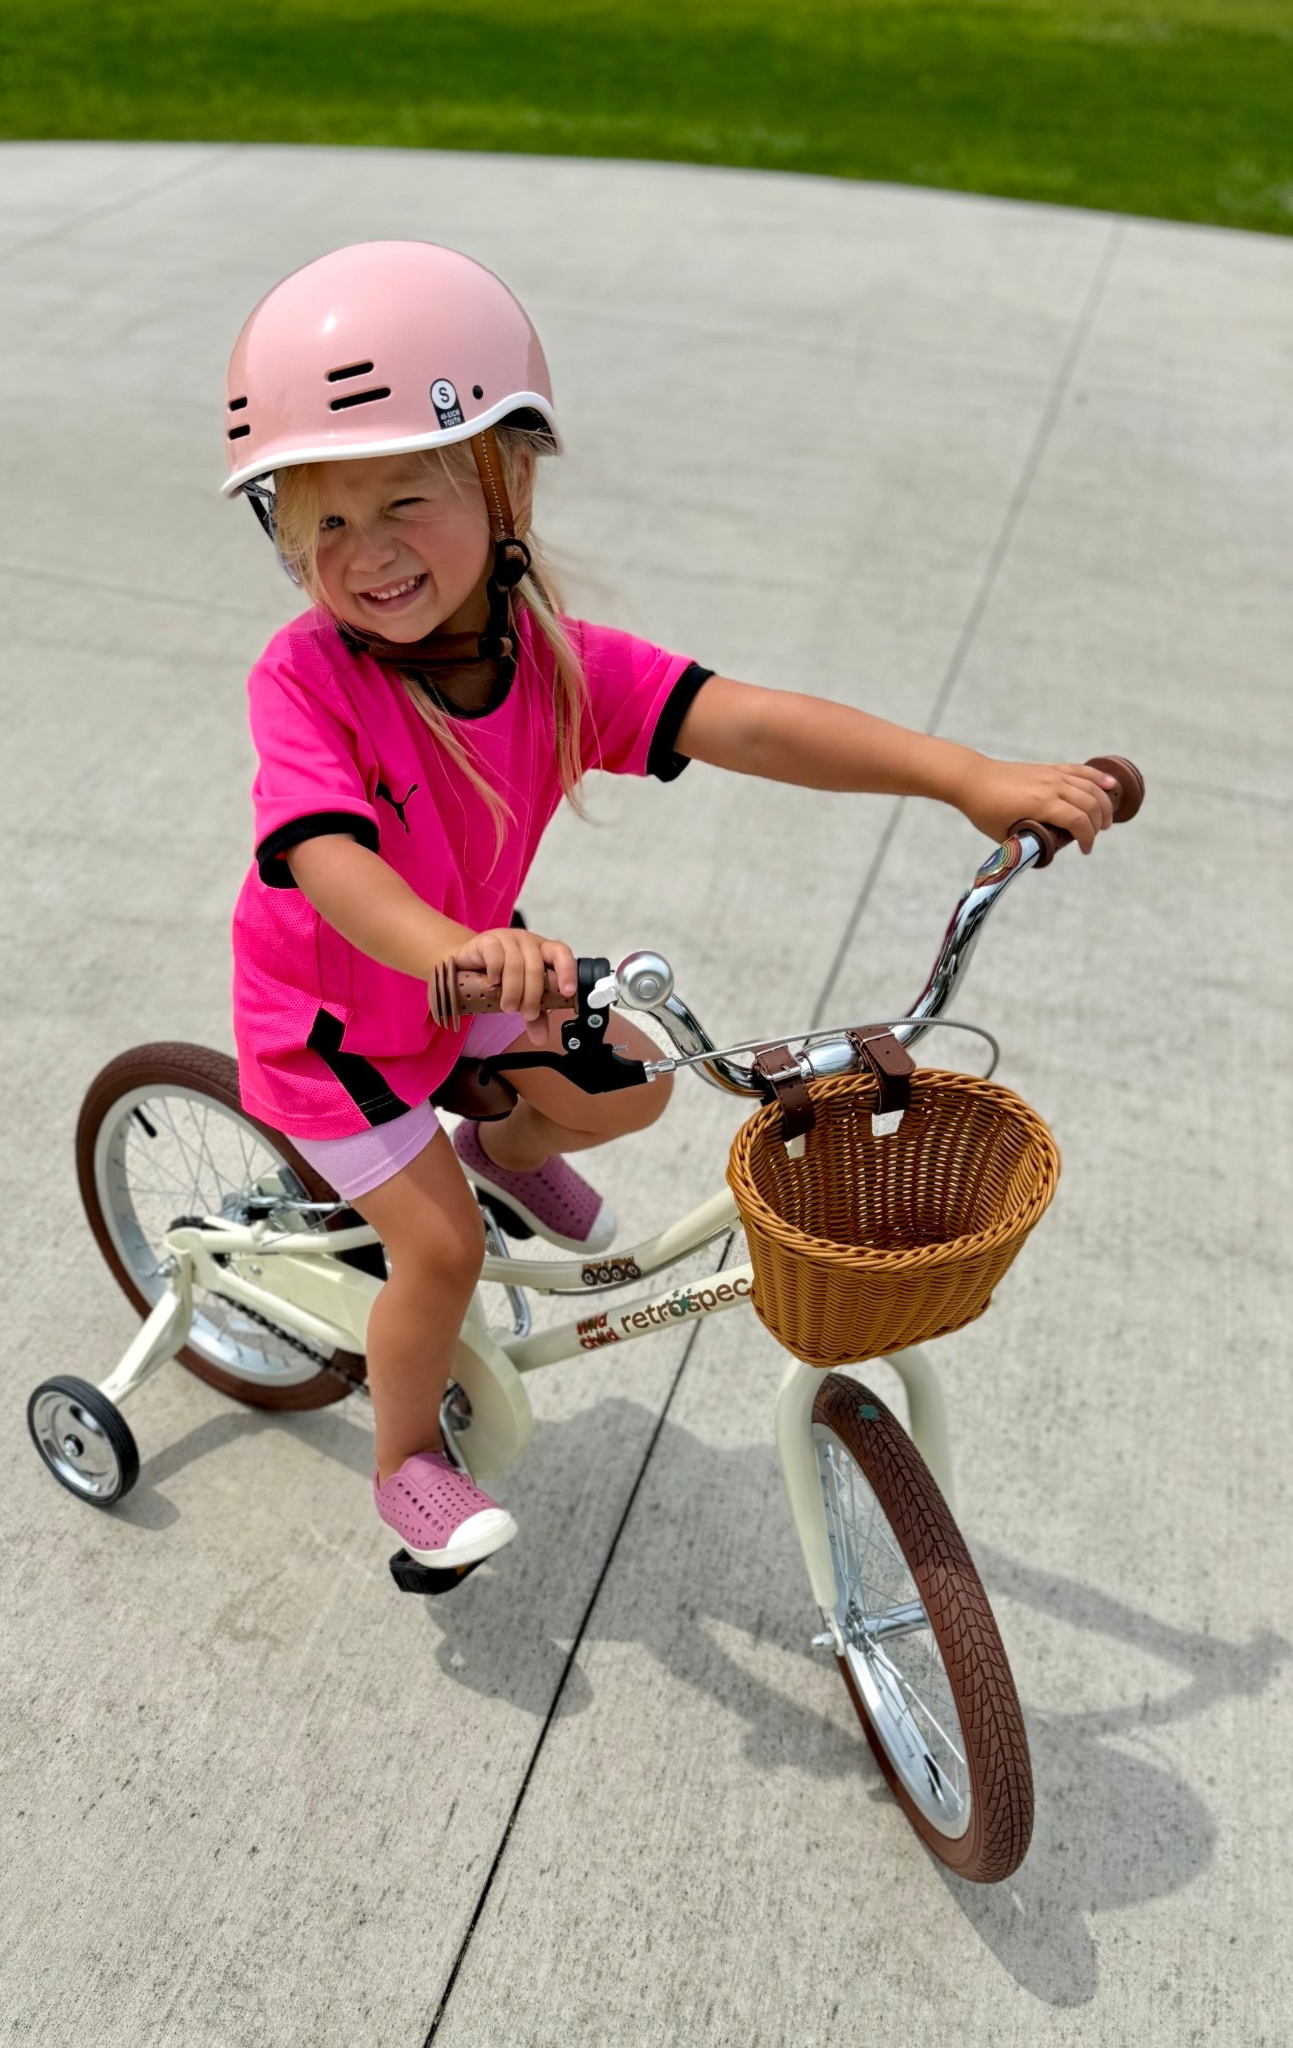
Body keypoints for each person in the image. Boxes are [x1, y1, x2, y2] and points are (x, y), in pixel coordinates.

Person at [223, 240, 1116, 1578]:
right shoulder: (306, 682)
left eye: (405, 499)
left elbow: (748, 720)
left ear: (501, 480)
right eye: (323, 524)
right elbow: (331, 864)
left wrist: (962, 779)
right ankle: (407, 1455)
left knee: (633, 1083)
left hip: (464, 990)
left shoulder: (555, 667)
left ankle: (506, 1142)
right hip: (332, 1026)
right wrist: (459, 955)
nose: (366, 553)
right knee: (444, 1249)